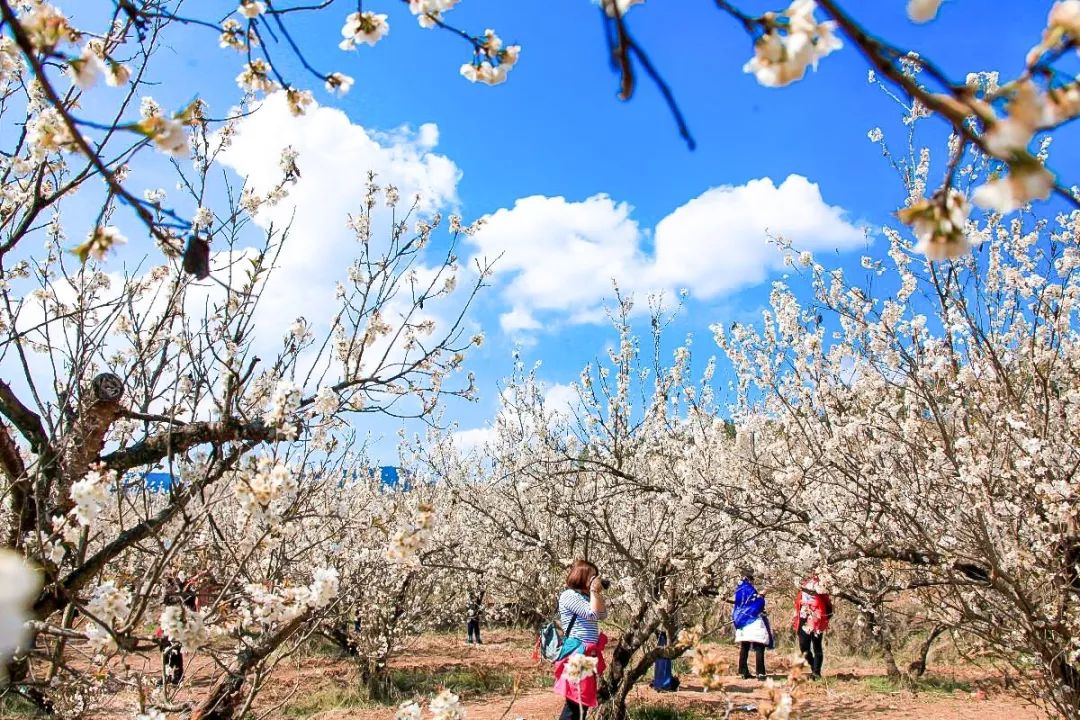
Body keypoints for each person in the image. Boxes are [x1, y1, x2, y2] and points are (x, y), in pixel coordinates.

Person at [553, 559, 608, 720]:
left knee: (581, 702)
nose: (594, 580)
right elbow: (591, 614)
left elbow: (603, 614)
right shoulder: (569, 595)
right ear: (581, 576)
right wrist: (594, 592)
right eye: (592, 576)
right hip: (578, 653)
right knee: (575, 701)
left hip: (587, 655)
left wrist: (595, 593)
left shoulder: (586, 597)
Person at [732, 568, 771, 680]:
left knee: (745, 646)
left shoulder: (739, 590)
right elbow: (757, 604)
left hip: (741, 621)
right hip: (752, 621)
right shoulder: (749, 589)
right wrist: (762, 596)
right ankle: (761, 673)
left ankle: (743, 671)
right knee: (759, 646)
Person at [793, 574, 833, 679]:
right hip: (803, 616)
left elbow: (828, 604)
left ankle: (816, 672)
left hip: (817, 618)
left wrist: (825, 617)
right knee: (803, 646)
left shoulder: (821, 587)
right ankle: (813, 666)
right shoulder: (803, 586)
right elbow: (798, 603)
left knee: (817, 645)